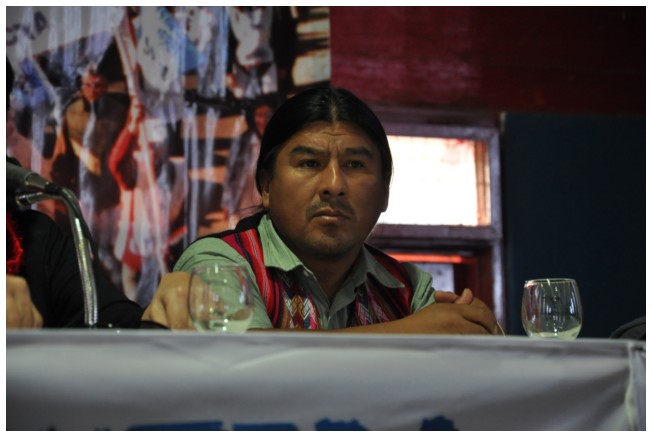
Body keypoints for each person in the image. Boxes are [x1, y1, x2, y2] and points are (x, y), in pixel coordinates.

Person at [143, 87, 498, 334]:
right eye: (310, 163)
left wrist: (474, 327)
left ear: (385, 192)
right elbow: (243, 362)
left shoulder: (407, 287)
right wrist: (413, 333)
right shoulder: (219, 263)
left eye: (355, 165)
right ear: (266, 186)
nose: (334, 184)